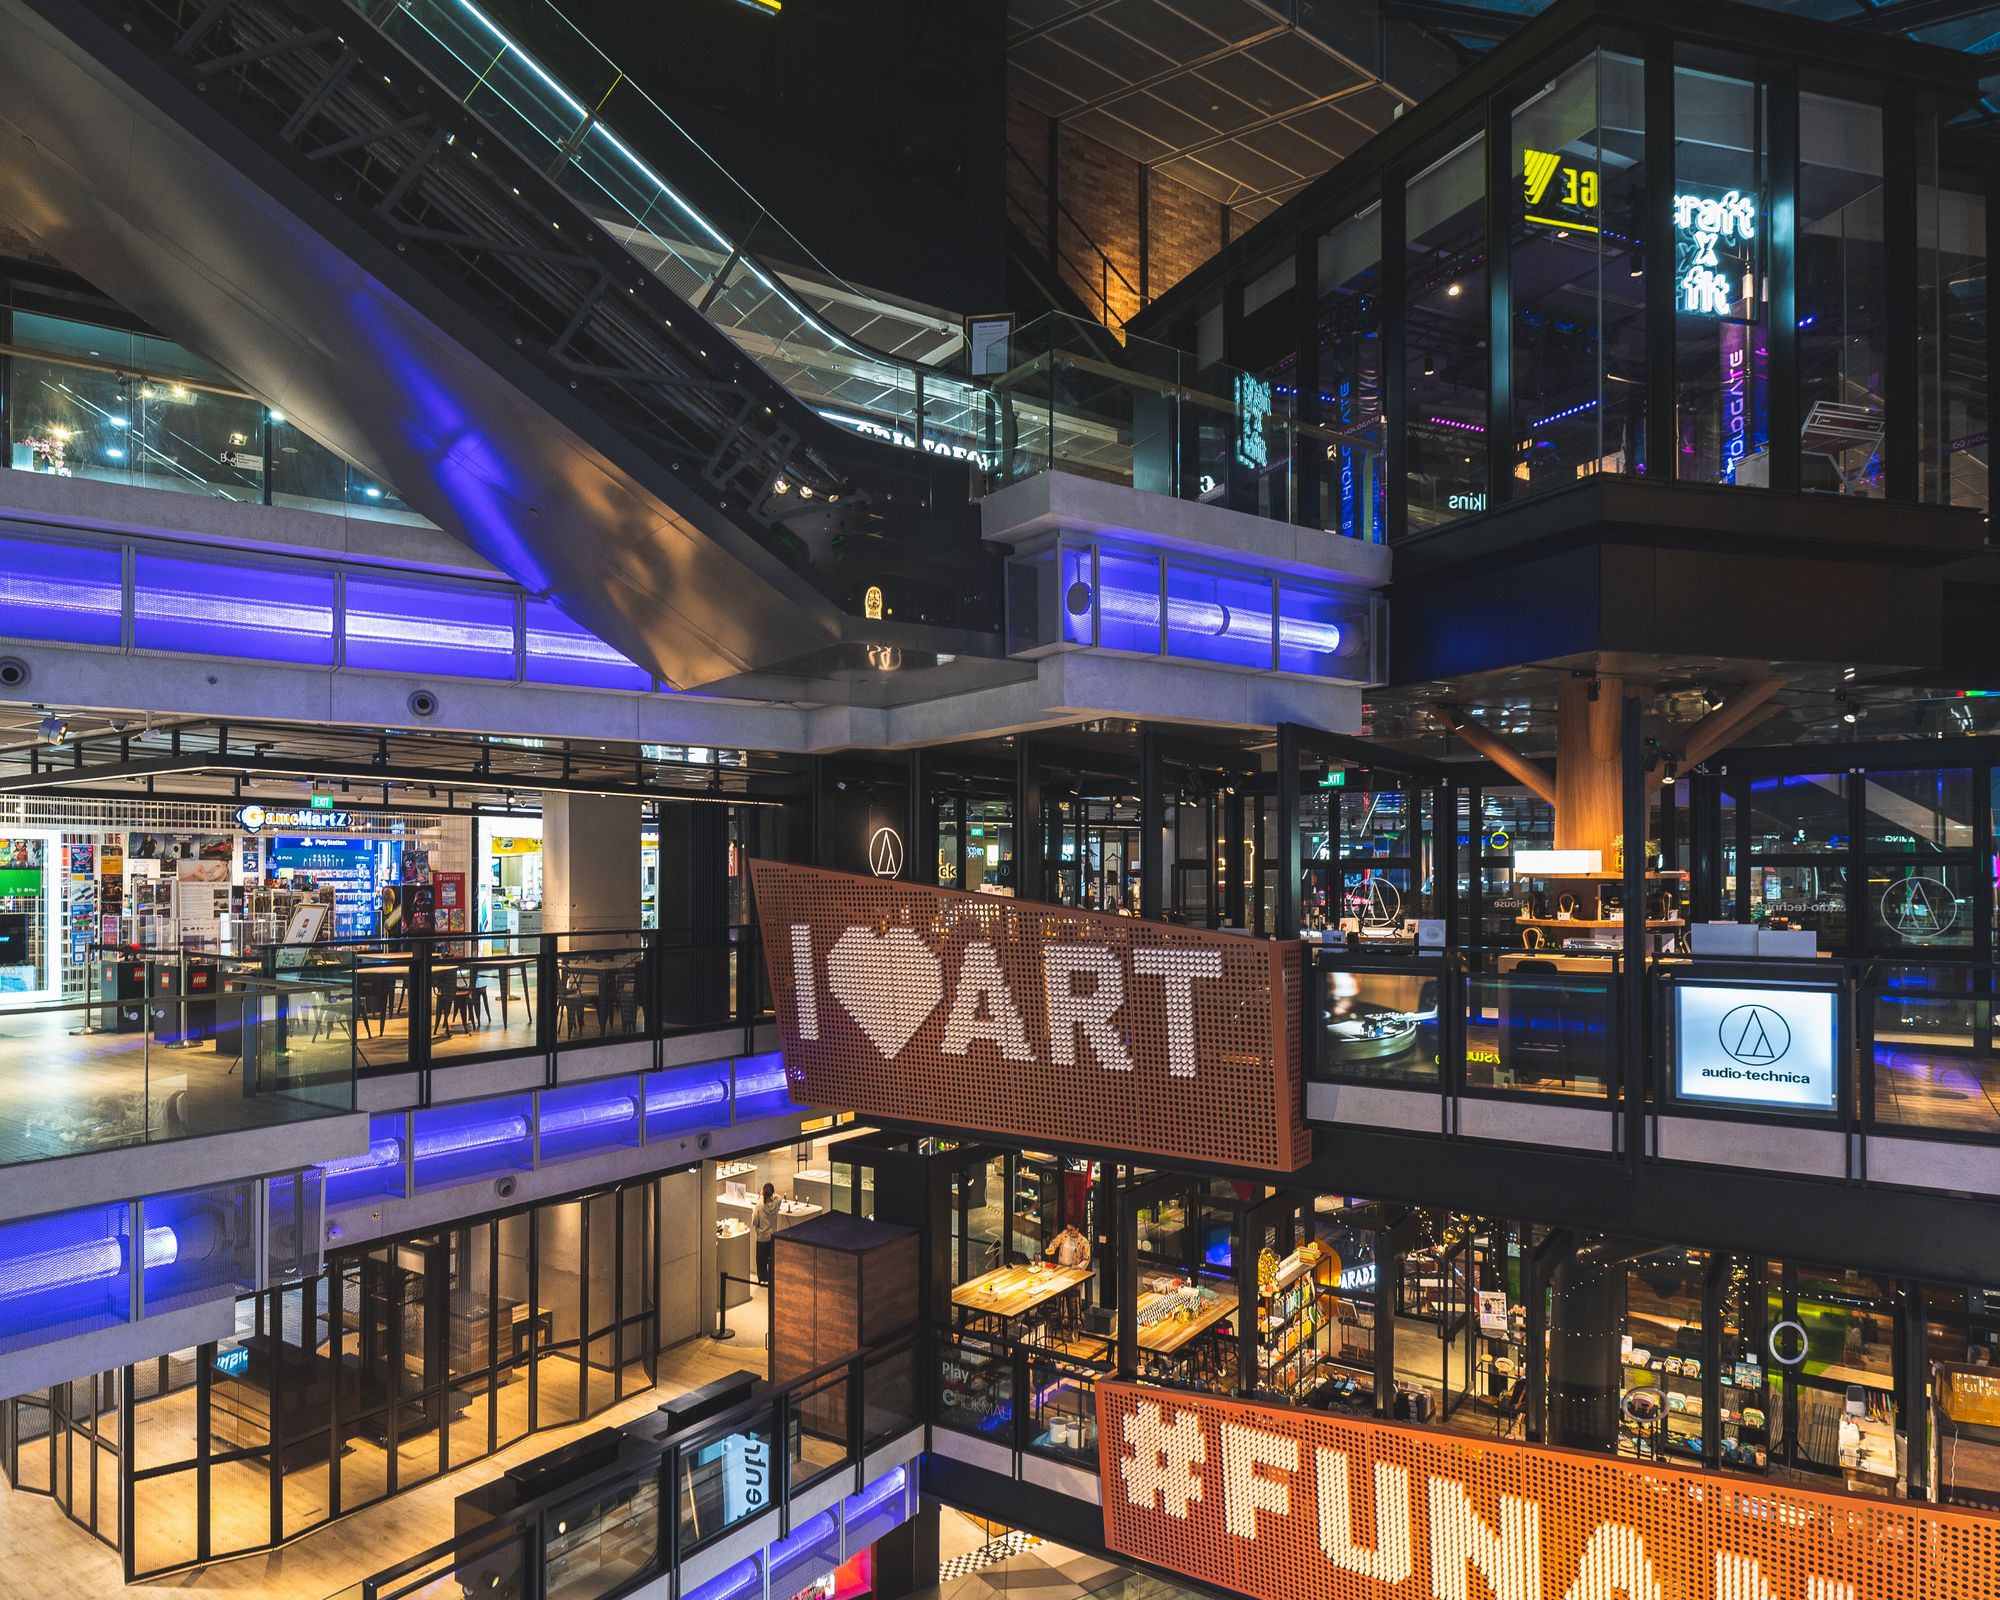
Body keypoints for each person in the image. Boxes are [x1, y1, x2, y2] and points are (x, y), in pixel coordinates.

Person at [751, 1183, 779, 1285]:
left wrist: (760, 1197)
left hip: (762, 1237)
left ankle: (762, 1279)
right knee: (771, 1259)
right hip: (772, 1236)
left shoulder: (759, 1205)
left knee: (761, 1260)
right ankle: (772, 1278)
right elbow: (778, 1197)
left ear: (763, 1192)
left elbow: (754, 1221)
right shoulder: (776, 1203)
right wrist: (772, 1195)